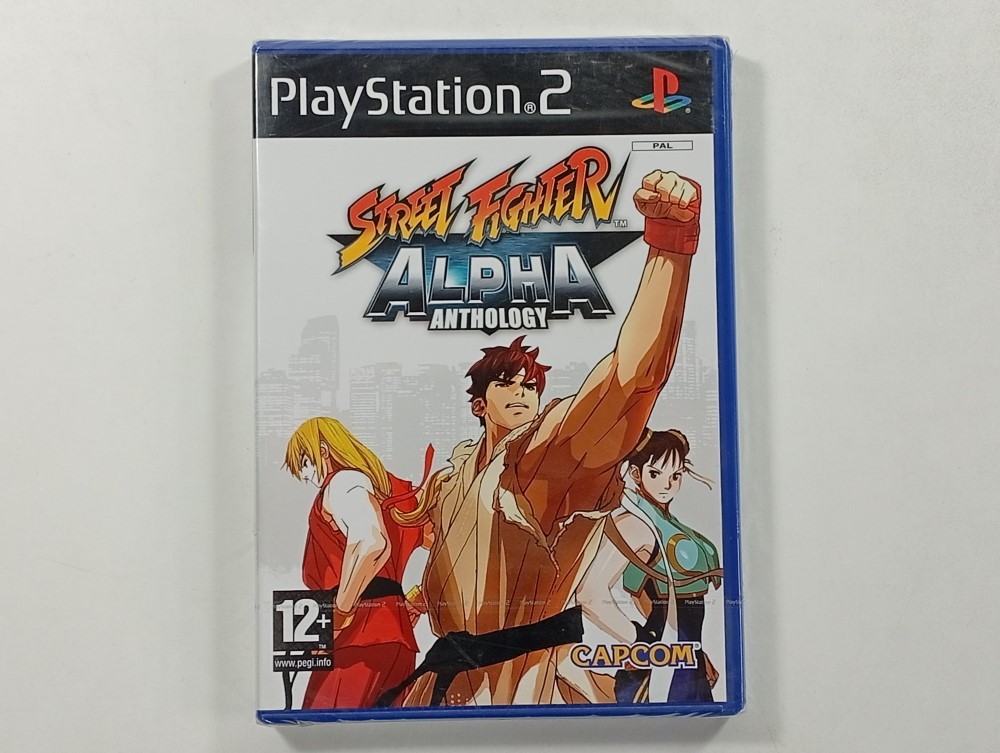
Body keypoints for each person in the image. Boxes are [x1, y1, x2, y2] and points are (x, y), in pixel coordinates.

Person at [377, 169, 704, 707]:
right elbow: (454, 567)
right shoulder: (458, 474)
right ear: (479, 404)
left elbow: (630, 382)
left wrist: (669, 248)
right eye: (507, 384)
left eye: (531, 385)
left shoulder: (543, 459)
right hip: (443, 683)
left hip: (522, 689)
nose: (523, 393)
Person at [283, 417, 430, 709]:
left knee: (324, 725)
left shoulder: (343, 482)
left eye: (306, 462)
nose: (307, 476)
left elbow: (371, 542)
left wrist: (340, 612)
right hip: (392, 635)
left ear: (323, 450)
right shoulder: (390, 491)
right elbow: (447, 543)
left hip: (356, 637)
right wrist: (421, 597)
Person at [572, 428, 722, 704]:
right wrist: (639, 641)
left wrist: (697, 652)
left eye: (675, 476)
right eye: (656, 474)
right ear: (636, 474)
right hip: (664, 661)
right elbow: (589, 593)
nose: (667, 485)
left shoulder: (663, 521)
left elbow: (646, 594)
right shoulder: (634, 523)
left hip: (682, 653)